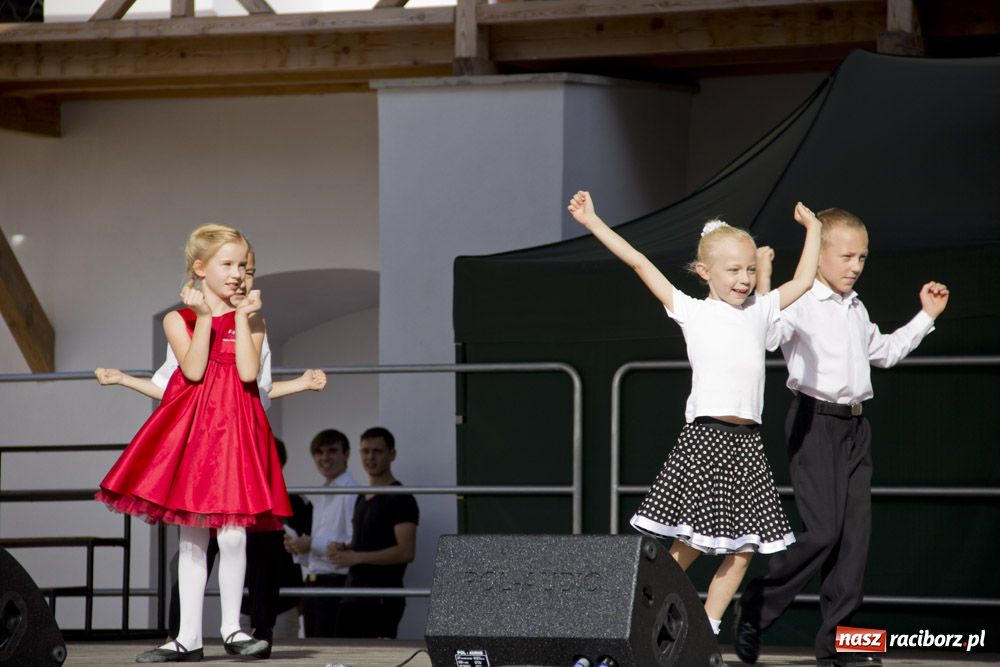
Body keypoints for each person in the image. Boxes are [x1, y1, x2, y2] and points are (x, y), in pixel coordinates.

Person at [567, 190, 822, 637]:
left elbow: (801, 283)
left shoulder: (760, 310)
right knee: (688, 542)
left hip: (747, 445)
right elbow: (640, 262)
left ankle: (707, 629)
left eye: (748, 269)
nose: (743, 278)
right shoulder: (692, 310)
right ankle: (641, 613)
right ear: (705, 272)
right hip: (706, 439)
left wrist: (815, 230)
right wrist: (593, 222)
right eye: (733, 270)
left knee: (743, 549)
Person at [733, 208, 949, 667]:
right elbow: (769, 335)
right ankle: (755, 606)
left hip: (855, 426)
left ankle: (845, 646)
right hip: (815, 423)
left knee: (855, 541)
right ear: (821, 254)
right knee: (825, 531)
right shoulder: (803, 299)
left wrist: (925, 317)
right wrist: (769, 278)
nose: (855, 266)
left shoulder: (856, 306)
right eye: (846, 256)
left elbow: (884, 353)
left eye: (863, 258)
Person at [95, 246, 326, 653]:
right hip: (198, 439)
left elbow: (252, 376)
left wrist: (241, 318)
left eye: (245, 268)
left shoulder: (252, 321)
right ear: (201, 269)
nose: (239, 275)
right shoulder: (178, 319)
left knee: (235, 536)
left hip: (236, 437)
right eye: (230, 265)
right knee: (192, 540)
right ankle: (187, 637)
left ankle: (233, 629)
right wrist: (204, 318)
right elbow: (191, 372)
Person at [330, 427, 418, 639]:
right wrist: (346, 548)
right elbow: (367, 541)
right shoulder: (362, 497)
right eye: (365, 451)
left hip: (381, 598)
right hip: (352, 596)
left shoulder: (401, 497)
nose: (370, 457)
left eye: (377, 451)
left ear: (392, 454)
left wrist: (355, 557)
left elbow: (406, 551)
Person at [283, 429, 359, 638]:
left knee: (328, 651)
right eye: (319, 452)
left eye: (332, 451)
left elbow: (353, 542)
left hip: (336, 583)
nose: (325, 457)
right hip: (315, 582)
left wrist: (310, 543)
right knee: (315, 649)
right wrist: (299, 548)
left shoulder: (352, 491)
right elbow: (319, 548)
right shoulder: (324, 491)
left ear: (346, 454)